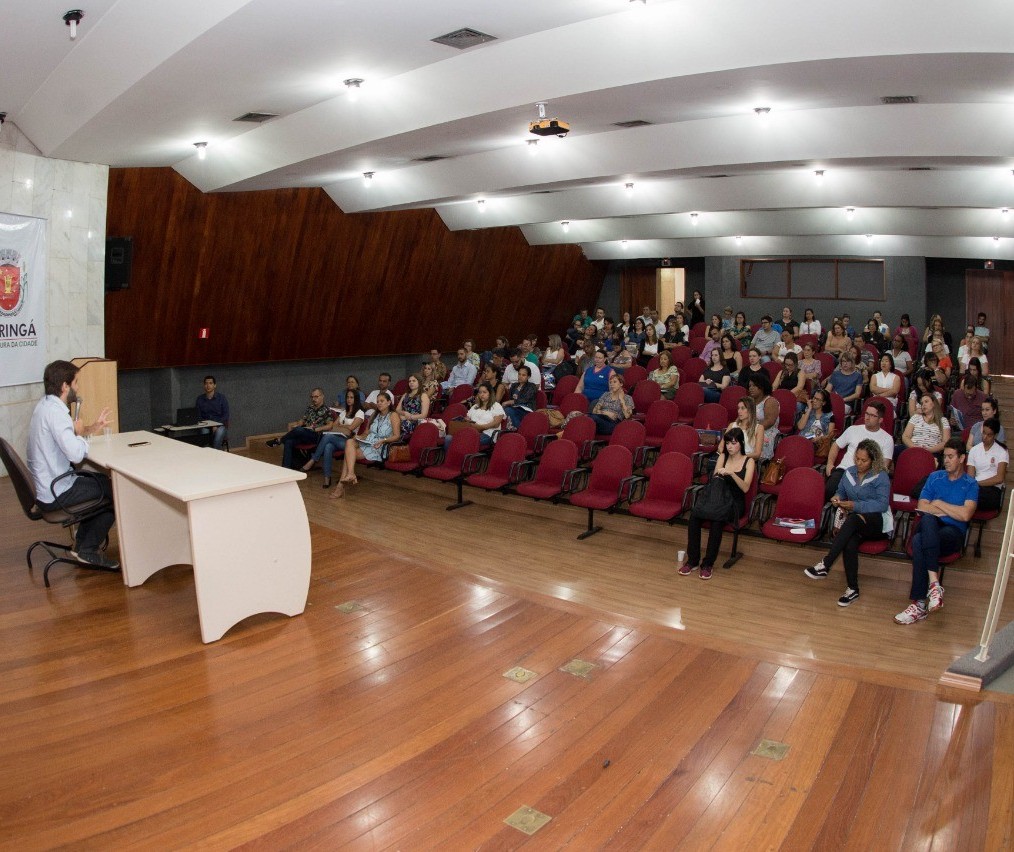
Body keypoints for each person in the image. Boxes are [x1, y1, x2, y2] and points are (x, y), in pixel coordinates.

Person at [26, 360, 117, 569]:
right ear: (65, 386)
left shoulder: (44, 406)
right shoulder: (57, 414)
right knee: (113, 491)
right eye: (76, 382)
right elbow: (76, 455)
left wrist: (84, 430)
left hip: (47, 487)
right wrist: (79, 435)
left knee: (102, 481)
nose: (77, 388)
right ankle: (87, 549)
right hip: (56, 492)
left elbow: (68, 443)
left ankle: (82, 545)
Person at [895, 439, 978, 624]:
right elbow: (922, 506)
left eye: (950, 456)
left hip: (953, 534)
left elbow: (965, 515)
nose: (946, 460)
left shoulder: (971, 484)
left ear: (962, 458)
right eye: (944, 456)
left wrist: (939, 504)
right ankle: (934, 585)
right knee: (928, 521)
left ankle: (919, 604)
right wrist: (949, 511)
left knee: (919, 541)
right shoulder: (935, 477)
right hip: (933, 528)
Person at [804, 439, 892, 606]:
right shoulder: (849, 473)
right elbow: (840, 492)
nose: (859, 463)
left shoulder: (881, 476)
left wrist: (855, 505)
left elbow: (882, 504)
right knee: (850, 541)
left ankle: (826, 564)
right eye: (857, 459)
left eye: (864, 460)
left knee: (852, 519)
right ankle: (853, 589)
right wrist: (837, 498)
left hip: (877, 521)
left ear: (873, 460)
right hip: (856, 522)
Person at [677, 427, 755, 580]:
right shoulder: (722, 457)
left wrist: (732, 473)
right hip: (718, 497)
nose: (730, 447)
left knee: (717, 519)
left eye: (734, 443)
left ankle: (708, 564)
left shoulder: (749, 461)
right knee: (695, 516)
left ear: (741, 443)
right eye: (728, 443)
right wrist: (720, 472)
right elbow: (715, 482)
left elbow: (746, 488)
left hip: (734, 502)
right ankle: (693, 560)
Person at [332, 393, 401, 498]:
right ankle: (350, 474)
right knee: (350, 441)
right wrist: (359, 437)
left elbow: (396, 436)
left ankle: (341, 485)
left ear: (389, 402)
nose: (379, 403)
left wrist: (383, 440)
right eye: (377, 401)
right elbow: (366, 433)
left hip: (380, 446)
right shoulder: (374, 414)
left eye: (382, 401)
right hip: (368, 441)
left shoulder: (393, 415)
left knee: (349, 454)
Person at [823, 400, 894, 500]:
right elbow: (836, 445)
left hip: (866, 477)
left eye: (872, 415)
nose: (867, 418)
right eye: (866, 414)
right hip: (844, 471)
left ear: (880, 420)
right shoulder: (853, 429)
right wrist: (830, 464)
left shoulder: (887, 439)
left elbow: (884, 466)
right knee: (828, 491)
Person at [302, 389, 365, 490]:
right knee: (328, 446)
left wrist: (341, 426)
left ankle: (313, 459)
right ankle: (327, 478)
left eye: (351, 397)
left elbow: (350, 429)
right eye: (347, 397)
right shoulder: (344, 412)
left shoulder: (360, 413)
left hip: (349, 442)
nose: (349, 399)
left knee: (328, 436)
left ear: (356, 399)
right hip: (337, 438)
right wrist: (342, 427)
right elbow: (333, 427)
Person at [266, 388, 333, 469]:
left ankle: (280, 440)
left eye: (316, 397)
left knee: (299, 430)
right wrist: (299, 423)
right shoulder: (310, 408)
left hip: (316, 436)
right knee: (288, 442)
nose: (313, 399)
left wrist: (317, 429)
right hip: (305, 433)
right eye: (312, 397)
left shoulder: (327, 410)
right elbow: (303, 419)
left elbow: (330, 425)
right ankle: (286, 468)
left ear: (322, 396)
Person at [967, 419, 1007, 512]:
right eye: (984, 433)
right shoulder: (974, 450)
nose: (985, 437)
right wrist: (973, 485)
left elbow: (999, 478)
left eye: (989, 435)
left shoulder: (1002, 451)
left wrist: (977, 483)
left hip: (992, 490)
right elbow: (970, 476)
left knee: (969, 498)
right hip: (975, 488)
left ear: (995, 435)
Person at [448, 382, 505, 448]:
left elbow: (496, 424)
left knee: (464, 440)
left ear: (490, 393)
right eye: (480, 392)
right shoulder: (475, 406)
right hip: (471, 431)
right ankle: (451, 457)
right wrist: (466, 420)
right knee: (449, 438)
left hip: (487, 434)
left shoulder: (496, 406)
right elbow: (467, 418)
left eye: (484, 392)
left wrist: (480, 427)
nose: (482, 395)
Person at [721, 397, 764, 462]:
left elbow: (757, 454)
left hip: (746, 461)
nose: (739, 411)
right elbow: (720, 447)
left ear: (750, 410)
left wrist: (739, 457)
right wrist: (729, 456)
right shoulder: (732, 425)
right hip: (729, 459)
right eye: (738, 408)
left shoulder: (759, 428)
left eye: (742, 408)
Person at [748, 374, 779, 460]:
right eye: (750, 385)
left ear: (762, 386)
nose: (750, 388)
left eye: (754, 385)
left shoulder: (770, 401)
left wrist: (751, 429)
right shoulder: (749, 401)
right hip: (750, 430)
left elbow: (769, 422)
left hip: (766, 432)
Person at [195, 375, 229, 450]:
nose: (208, 385)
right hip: (205, 425)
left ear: (215, 385)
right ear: (204, 385)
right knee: (204, 439)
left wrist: (216, 425)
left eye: (210, 383)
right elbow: (198, 416)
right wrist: (208, 425)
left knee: (217, 440)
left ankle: (217, 458)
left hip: (220, 425)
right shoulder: (200, 399)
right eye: (206, 383)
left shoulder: (222, 398)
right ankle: (206, 458)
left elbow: (226, 415)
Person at [395, 373, 430, 439]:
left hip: (415, 421)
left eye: (414, 381)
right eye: (410, 381)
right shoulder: (406, 394)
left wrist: (410, 417)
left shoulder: (423, 396)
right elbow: (397, 409)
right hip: (403, 418)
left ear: (419, 382)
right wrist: (404, 413)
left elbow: (424, 415)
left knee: (398, 425)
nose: (411, 383)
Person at [503, 364, 538, 428]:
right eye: (519, 374)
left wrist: (510, 402)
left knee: (508, 410)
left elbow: (524, 399)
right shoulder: (514, 385)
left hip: (526, 409)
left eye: (523, 375)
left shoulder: (531, 386)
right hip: (514, 408)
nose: (520, 376)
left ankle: (519, 429)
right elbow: (510, 398)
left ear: (528, 377)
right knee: (502, 410)